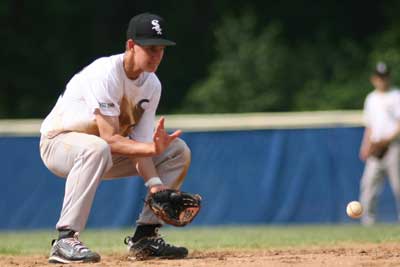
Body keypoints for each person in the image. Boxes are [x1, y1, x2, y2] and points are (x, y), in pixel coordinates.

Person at [39, 13, 191, 263]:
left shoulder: (152, 85)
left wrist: (155, 183)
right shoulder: (105, 73)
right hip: (59, 143)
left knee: (177, 151)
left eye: (162, 49)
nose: (157, 55)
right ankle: (65, 238)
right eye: (151, 48)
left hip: (100, 150)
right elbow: (110, 139)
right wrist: (150, 148)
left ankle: (145, 238)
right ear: (131, 45)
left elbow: (139, 146)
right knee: (97, 147)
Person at [359, 61, 400, 226]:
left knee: (398, 186)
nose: (382, 80)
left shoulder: (396, 95)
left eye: (384, 77)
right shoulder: (371, 98)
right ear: (373, 79)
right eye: (379, 77)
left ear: (389, 77)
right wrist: (365, 145)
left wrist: (387, 140)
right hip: (376, 147)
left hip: (394, 146)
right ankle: (368, 222)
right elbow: (370, 125)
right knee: (368, 185)